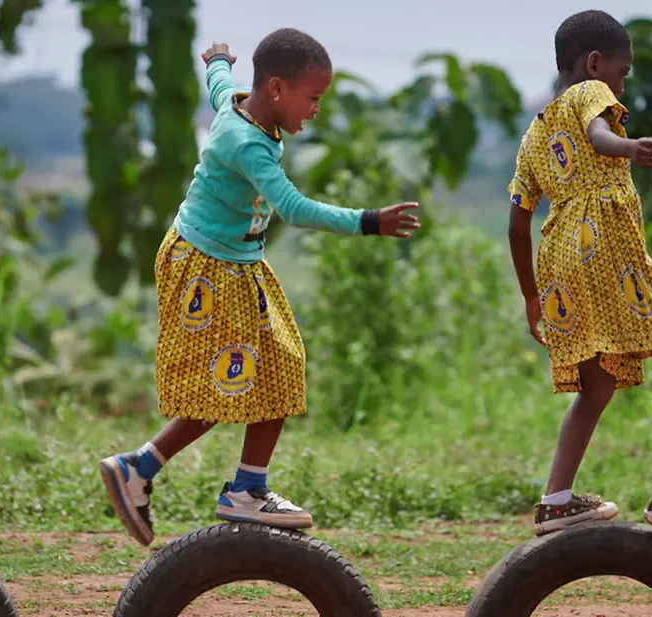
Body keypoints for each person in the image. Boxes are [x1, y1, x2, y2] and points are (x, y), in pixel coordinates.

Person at [98, 28, 421, 547]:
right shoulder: (249, 145)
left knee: (278, 366)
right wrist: (367, 221)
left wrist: (218, 60)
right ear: (276, 89)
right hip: (204, 266)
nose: (316, 110)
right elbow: (292, 208)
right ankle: (178, 477)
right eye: (312, 98)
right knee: (227, 381)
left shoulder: (241, 107)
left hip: (236, 263)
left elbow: (219, 85)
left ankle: (225, 481)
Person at [505, 9, 652, 544]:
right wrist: (628, 146)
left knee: (597, 382)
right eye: (623, 71)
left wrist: (530, 297)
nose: (621, 83)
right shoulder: (590, 95)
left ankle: (556, 502)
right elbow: (596, 134)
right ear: (594, 63)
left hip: (559, 261)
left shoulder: (535, 133)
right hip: (604, 244)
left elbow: (518, 224)